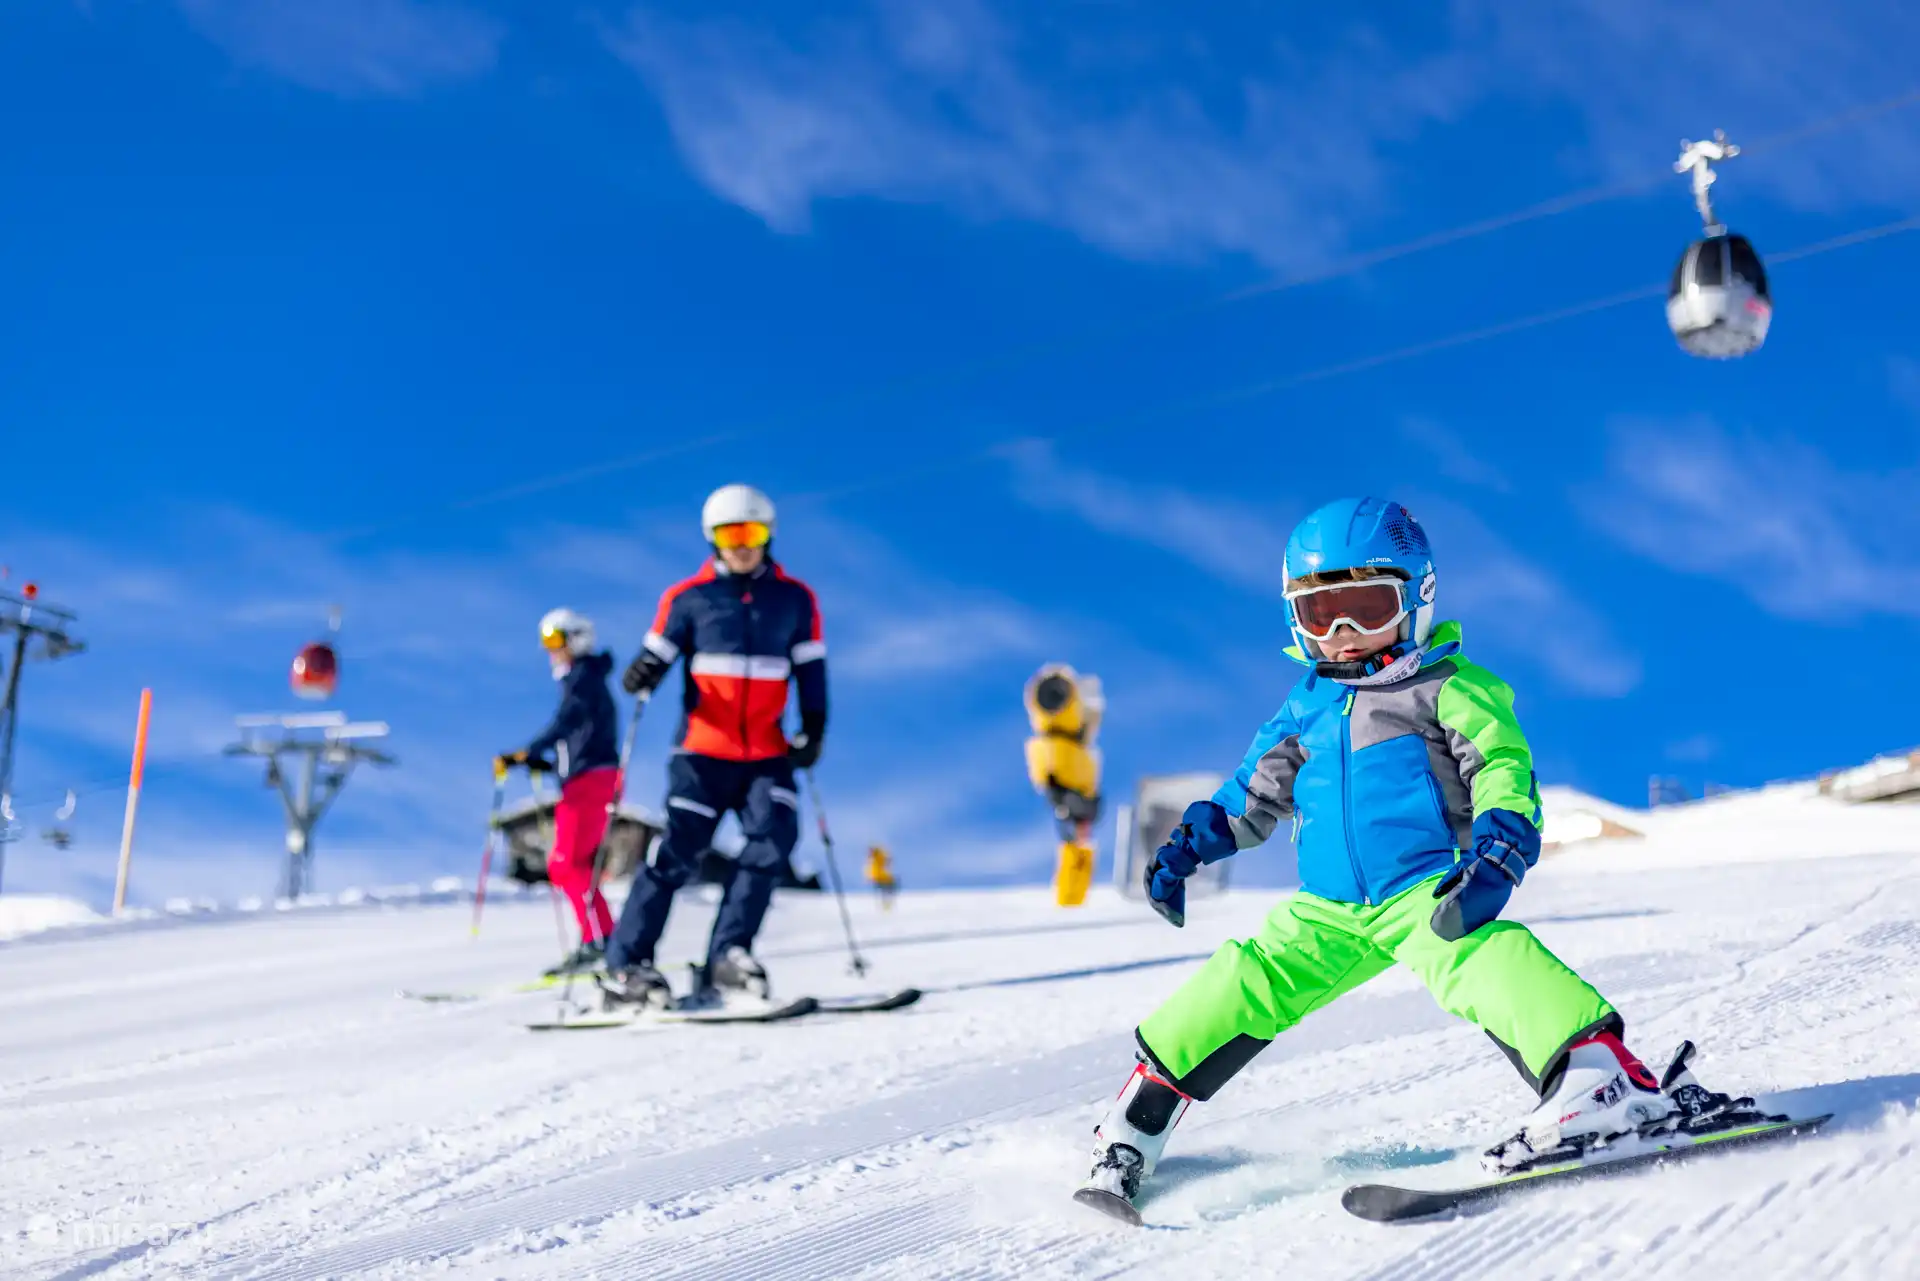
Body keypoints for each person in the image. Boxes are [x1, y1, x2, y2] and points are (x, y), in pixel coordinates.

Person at [1077, 497, 1742, 1218]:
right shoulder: (1304, 711)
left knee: (1477, 954)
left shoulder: (1450, 688)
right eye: (1319, 611)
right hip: (1325, 909)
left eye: (1366, 606)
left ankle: (1597, 1077)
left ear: (1417, 597)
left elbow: (1500, 768)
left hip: (1420, 889)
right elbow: (1249, 797)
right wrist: (1186, 848)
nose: (1342, 633)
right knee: (1243, 978)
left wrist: (1500, 847)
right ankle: (1133, 1126)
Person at [598, 484, 828, 1008]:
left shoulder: (795, 600)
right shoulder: (688, 600)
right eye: (731, 534)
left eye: (753, 533)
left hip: (767, 755)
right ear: (713, 539)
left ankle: (728, 958)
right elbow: (656, 653)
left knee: (772, 843)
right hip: (702, 752)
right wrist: (642, 673)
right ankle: (626, 966)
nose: (742, 545)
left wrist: (814, 726)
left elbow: (812, 671)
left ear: (768, 536)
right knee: (678, 851)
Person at [496, 608, 620, 976]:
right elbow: (577, 740)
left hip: (592, 781)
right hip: (588, 778)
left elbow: (567, 721)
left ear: (576, 638)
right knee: (574, 865)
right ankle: (602, 939)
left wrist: (528, 751)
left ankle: (597, 941)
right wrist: (544, 764)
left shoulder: (583, 678)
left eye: (555, 640)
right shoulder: (584, 679)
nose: (550, 650)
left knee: (565, 864)